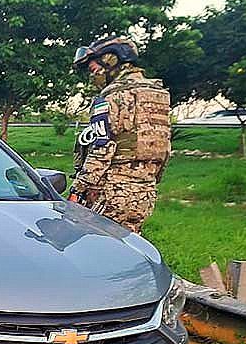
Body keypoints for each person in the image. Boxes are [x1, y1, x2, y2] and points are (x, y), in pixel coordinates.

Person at [70, 35, 171, 234]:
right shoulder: (159, 93)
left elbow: (102, 148)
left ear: (111, 59)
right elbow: (164, 146)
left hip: (112, 191)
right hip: (145, 192)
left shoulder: (110, 96)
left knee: (100, 248)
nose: (93, 75)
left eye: (94, 69)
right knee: (129, 248)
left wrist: (78, 189)